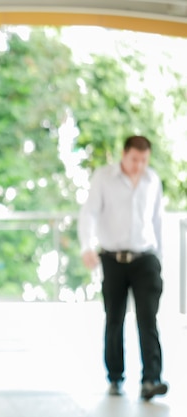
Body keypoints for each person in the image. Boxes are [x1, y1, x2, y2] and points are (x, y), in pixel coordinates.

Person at [77, 135, 168, 400]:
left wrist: (159, 258)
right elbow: (90, 213)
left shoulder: (153, 181)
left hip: (146, 259)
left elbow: (157, 220)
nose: (139, 165)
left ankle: (151, 379)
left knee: (148, 319)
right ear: (124, 154)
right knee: (114, 319)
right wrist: (87, 245)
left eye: (144, 160)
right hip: (113, 259)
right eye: (134, 159)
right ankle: (115, 377)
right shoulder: (104, 178)